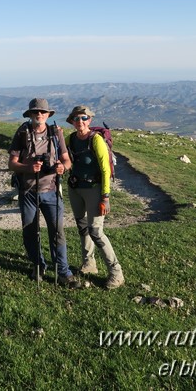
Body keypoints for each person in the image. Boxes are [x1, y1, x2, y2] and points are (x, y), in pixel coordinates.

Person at [8, 98, 80, 288]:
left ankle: (63, 272)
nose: (39, 115)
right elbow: (12, 163)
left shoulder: (55, 134)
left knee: (57, 232)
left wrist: (61, 168)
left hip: (51, 191)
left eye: (42, 112)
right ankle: (38, 265)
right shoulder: (22, 133)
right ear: (30, 114)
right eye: (35, 112)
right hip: (28, 191)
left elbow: (67, 160)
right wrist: (29, 167)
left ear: (48, 115)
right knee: (30, 231)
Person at [65, 105, 125, 289]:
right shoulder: (70, 139)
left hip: (94, 189)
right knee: (82, 227)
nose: (80, 122)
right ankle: (88, 263)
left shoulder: (96, 140)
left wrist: (105, 197)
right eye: (77, 119)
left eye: (84, 118)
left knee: (96, 232)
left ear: (89, 120)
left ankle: (116, 272)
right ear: (72, 122)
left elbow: (106, 169)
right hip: (75, 188)